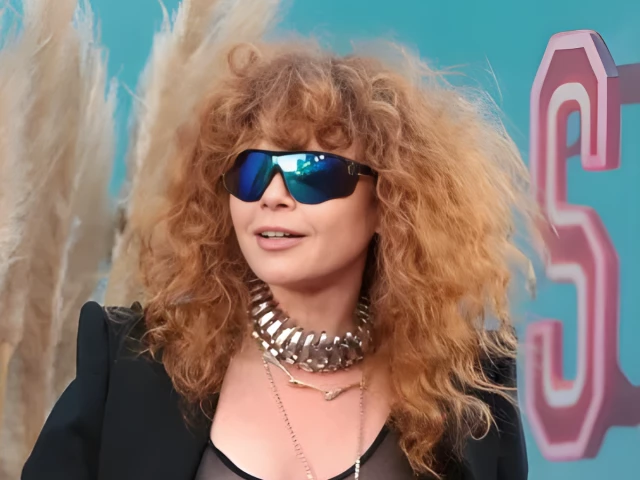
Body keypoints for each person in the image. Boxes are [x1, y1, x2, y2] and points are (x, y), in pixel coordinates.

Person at [22, 35, 531, 480]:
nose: (272, 196)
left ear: (387, 201)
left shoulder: (469, 394)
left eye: (311, 171)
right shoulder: (131, 365)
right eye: (251, 171)